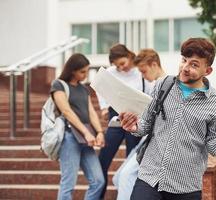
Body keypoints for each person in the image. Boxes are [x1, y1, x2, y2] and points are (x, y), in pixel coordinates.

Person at [119, 38, 216, 200]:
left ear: (207, 71)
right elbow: (145, 125)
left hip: (185, 188)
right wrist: (134, 127)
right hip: (149, 179)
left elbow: (214, 147)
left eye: (194, 64)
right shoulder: (163, 85)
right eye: (184, 60)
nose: (185, 68)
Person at [97, 44, 152, 199]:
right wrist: (103, 107)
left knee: (130, 161)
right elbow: (100, 88)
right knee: (103, 158)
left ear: (129, 56)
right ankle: (99, 195)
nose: (121, 68)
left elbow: (148, 97)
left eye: (122, 63)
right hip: (116, 117)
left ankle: (130, 195)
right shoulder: (110, 73)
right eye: (117, 66)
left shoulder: (141, 73)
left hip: (136, 119)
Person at [112, 48, 166, 200]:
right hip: (146, 139)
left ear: (154, 64)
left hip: (156, 142)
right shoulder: (156, 85)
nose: (142, 75)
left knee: (125, 176)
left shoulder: (166, 85)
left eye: (143, 71)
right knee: (119, 178)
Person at [51, 53, 105, 200]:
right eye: (82, 71)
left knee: (98, 181)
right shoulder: (59, 85)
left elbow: (92, 112)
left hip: (86, 139)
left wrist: (99, 132)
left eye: (87, 71)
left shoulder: (84, 89)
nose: (86, 75)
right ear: (72, 70)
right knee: (68, 184)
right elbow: (67, 112)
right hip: (69, 137)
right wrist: (86, 132)